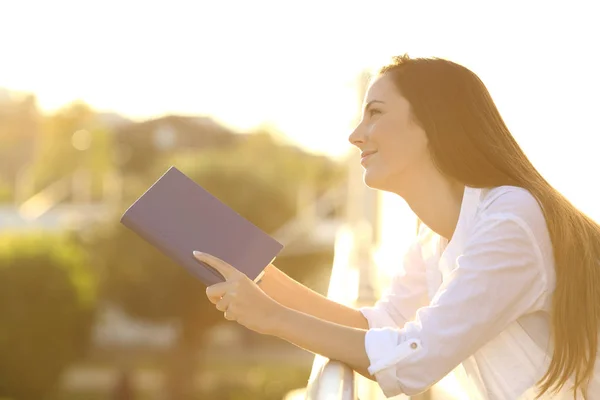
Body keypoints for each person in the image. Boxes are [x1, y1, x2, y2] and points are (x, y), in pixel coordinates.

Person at [193, 55, 600, 399]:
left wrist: (274, 319)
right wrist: (264, 279)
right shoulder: (432, 236)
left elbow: (414, 358)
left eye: (375, 113)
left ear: (432, 125)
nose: (355, 136)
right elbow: (382, 325)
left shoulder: (511, 219)